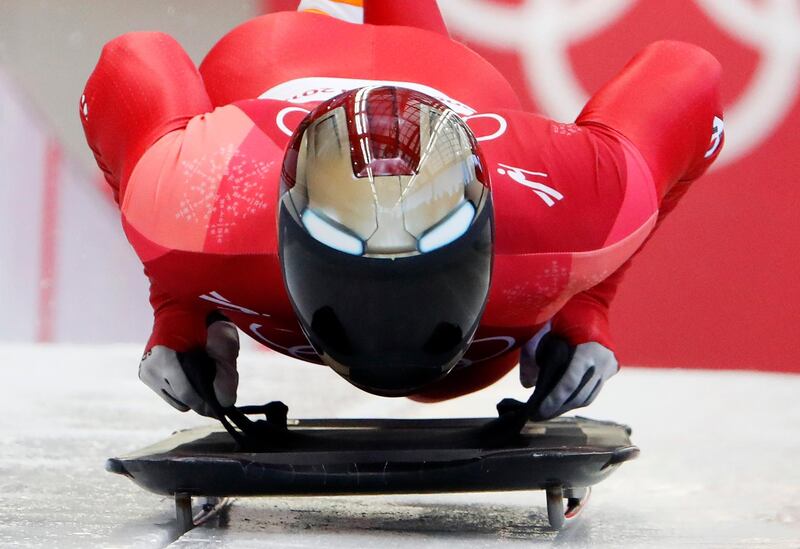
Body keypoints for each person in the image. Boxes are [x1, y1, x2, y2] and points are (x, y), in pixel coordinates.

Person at [80, 0, 724, 419]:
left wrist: (182, 309)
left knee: (452, 377)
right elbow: (686, 74)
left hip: (305, 64)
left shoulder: (189, 204)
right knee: (461, 370)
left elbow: (135, 56)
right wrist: (583, 306)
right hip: (378, 68)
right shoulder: (200, 200)